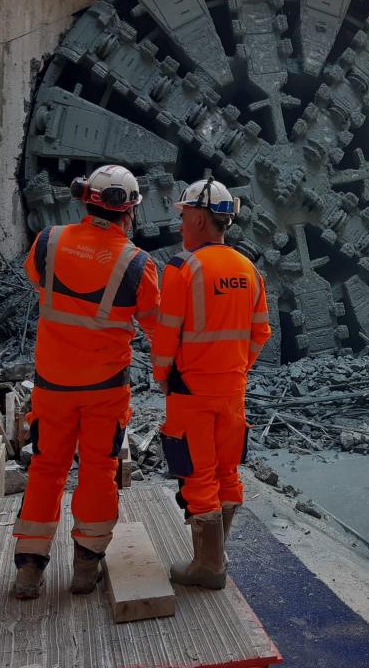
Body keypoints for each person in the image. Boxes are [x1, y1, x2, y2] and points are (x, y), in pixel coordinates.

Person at [12, 164, 160, 600]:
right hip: (105, 389)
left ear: (84, 200)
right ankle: (85, 568)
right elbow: (155, 322)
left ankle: (29, 570)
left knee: (46, 468)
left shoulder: (49, 242)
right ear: (129, 211)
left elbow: (36, 279)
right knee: (99, 471)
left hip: (52, 385)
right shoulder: (137, 263)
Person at [153, 177, 271, 589]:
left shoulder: (182, 268)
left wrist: (162, 377)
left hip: (191, 391)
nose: (181, 223)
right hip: (233, 391)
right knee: (227, 472)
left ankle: (208, 567)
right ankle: (218, 554)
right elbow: (261, 332)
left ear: (201, 219)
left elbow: (166, 334)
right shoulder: (249, 270)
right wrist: (237, 369)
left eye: (185, 215)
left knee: (197, 475)